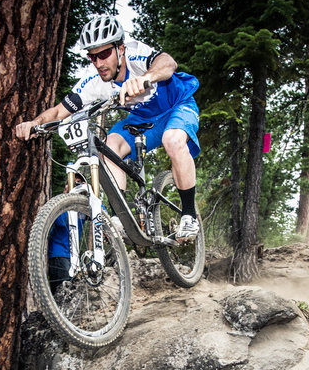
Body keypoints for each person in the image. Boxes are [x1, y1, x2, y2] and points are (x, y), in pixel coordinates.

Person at [15, 13, 201, 241]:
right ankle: (118, 219)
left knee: (172, 140)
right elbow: (57, 111)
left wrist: (146, 77)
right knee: (110, 146)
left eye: (104, 54)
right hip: (143, 121)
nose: (99, 63)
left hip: (178, 106)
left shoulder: (135, 54)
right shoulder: (94, 82)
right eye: (93, 57)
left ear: (120, 49)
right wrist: (34, 123)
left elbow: (168, 63)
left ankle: (189, 216)